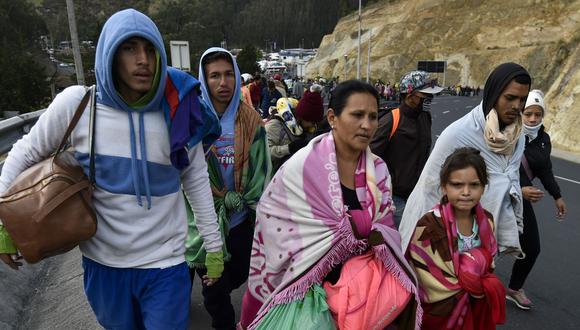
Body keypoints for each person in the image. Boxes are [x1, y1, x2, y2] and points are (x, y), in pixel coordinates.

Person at [0, 9, 223, 329]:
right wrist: (5, 225)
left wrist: (213, 248)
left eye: (149, 49)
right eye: (129, 48)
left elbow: (197, 181)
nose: (142, 60)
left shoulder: (179, 110)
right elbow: (23, 153)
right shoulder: (78, 106)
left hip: (166, 267)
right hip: (103, 268)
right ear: (110, 54)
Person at [240, 80, 422, 330]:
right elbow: (272, 225)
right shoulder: (302, 168)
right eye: (357, 115)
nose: (367, 125)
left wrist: (364, 231)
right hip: (307, 297)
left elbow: (386, 229)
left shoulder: (378, 170)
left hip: (358, 293)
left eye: (372, 116)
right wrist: (351, 228)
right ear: (333, 118)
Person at [399, 62, 532, 255]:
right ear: (493, 95)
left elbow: (508, 178)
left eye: (522, 100)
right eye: (510, 98)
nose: (516, 106)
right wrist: (419, 245)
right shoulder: (458, 134)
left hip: (485, 234)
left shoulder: (517, 137)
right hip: (445, 236)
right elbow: (429, 190)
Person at [186, 47, 271, 330]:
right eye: (214, 76)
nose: (223, 83)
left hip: (239, 218)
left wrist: (245, 202)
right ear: (204, 79)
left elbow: (261, 170)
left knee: (237, 273)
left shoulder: (251, 120)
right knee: (215, 289)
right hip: (200, 223)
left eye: (228, 75)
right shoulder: (192, 120)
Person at [407, 147, 506, 329]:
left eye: (474, 185)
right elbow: (422, 273)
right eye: (457, 185)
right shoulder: (429, 225)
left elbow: (488, 262)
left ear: (483, 187)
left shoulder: (487, 221)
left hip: (475, 306)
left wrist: (476, 283)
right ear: (444, 187)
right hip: (438, 313)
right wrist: (469, 281)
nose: (466, 192)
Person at [506, 89, 567, 310]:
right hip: (499, 196)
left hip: (521, 201)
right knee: (488, 243)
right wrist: (520, 188)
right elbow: (498, 168)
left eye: (537, 114)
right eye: (528, 113)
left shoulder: (543, 138)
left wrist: (557, 195)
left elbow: (545, 169)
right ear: (521, 113)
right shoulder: (509, 132)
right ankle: (471, 282)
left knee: (532, 248)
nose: (533, 119)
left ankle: (514, 288)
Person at [370, 70, 443, 227]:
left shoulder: (425, 117)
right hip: (394, 198)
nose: (430, 99)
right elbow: (370, 158)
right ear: (410, 96)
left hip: (418, 194)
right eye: (426, 96)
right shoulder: (391, 120)